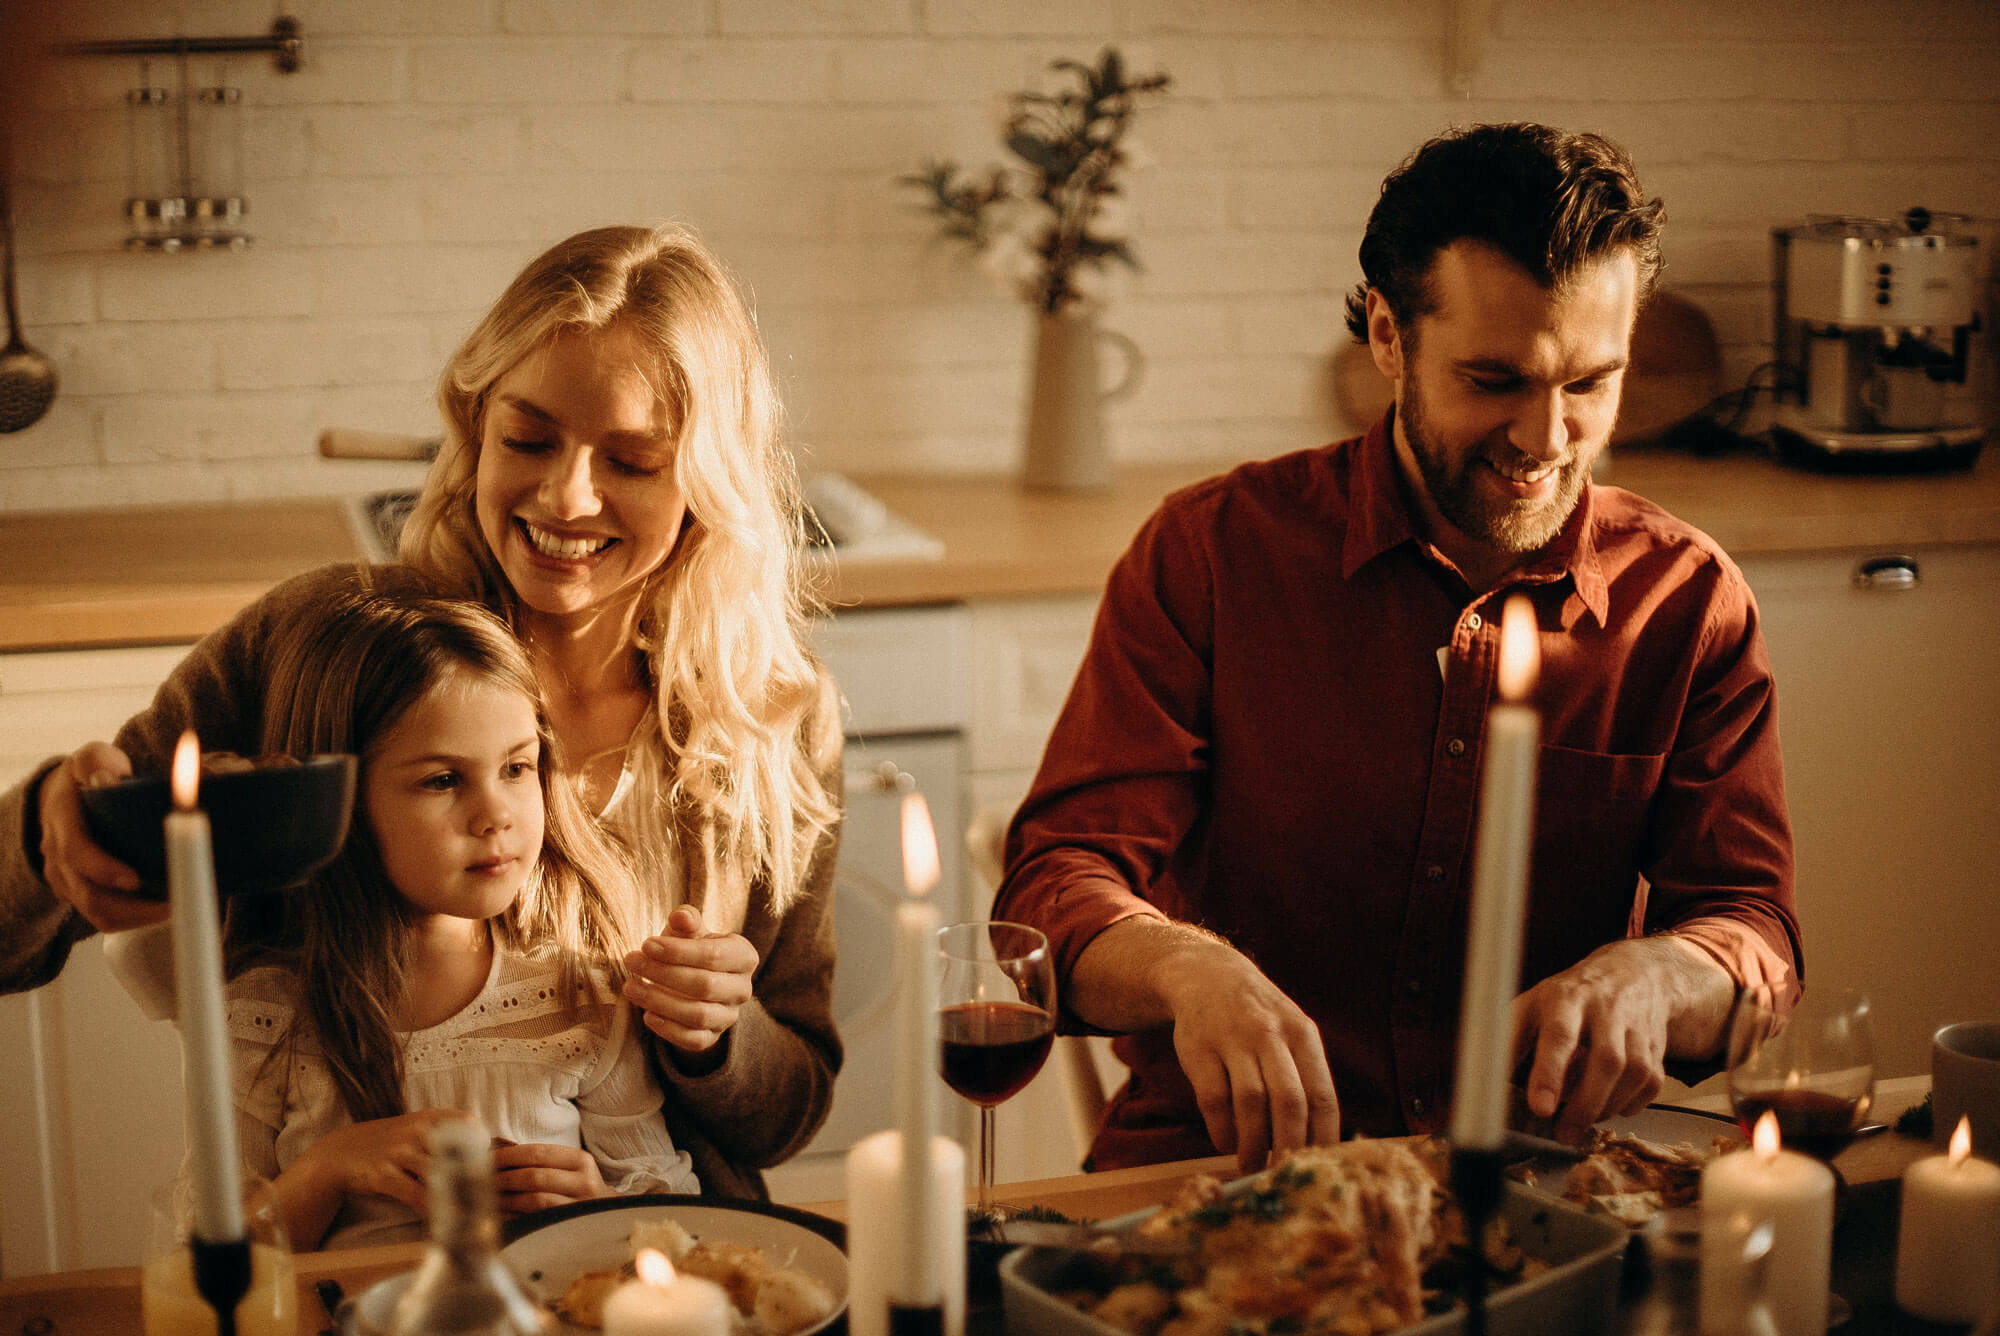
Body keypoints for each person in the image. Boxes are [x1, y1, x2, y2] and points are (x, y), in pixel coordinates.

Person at [992, 123, 1801, 1174]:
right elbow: (1056, 882)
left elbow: (1754, 934)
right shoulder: (1210, 555)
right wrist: (1186, 969)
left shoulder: (1685, 603)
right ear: (1384, 334)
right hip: (1230, 1177)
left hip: (1529, 1188)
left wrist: (1656, 974)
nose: (1543, 438)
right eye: (1493, 379)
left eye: (1588, 385)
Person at [0, 224, 843, 1198]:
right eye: (528, 438)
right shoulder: (328, 648)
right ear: (475, 423)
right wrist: (46, 831)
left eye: (632, 460)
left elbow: (789, 1112)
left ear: (706, 479)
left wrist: (719, 1036)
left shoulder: (770, 719)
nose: (569, 495)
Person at [209, 588, 699, 1249]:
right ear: (339, 803)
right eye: (443, 780)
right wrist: (327, 1170)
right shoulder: (267, 1017)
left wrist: (596, 1210)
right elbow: (209, 1264)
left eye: (517, 767)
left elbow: (668, 1216)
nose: (495, 813)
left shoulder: (581, 996)